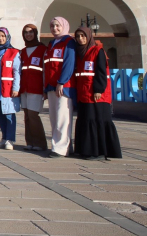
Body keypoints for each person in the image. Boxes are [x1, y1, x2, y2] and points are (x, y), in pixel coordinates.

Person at [73, 26, 122, 160]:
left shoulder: (98, 51)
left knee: (97, 121)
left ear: (89, 36)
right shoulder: (79, 53)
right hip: (83, 94)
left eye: (83, 36)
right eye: (78, 36)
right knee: (86, 120)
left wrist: (98, 90)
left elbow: (101, 72)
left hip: (96, 94)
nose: (80, 39)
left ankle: (99, 152)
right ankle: (86, 150)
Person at [44, 17, 76, 158]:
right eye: (52, 26)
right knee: (54, 117)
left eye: (57, 26)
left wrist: (61, 82)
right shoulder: (51, 44)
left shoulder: (69, 43)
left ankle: (61, 148)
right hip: (51, 86)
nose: (54, 28)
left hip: (63, 86)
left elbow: (69, 64)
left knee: (63, 117)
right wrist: (46, 87)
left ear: (64, 26)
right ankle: (61, 144)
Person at [0, 28, 21, 150]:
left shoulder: (14, 52)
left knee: (9, 115)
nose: (0, 38)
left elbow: (17, 72)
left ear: (7, 37)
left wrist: (16, 88)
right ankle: (4, 137)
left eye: (3, 36)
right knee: (0, 115)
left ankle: (10, 139)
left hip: (8, 89)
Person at [20, 24, 48, 151]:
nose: (28, 34)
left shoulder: (43, 49)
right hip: (24, 88)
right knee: (26, 115)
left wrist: (45, 88)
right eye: (26, 32)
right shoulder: (23, 51)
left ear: (35, 33)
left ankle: (40, 143)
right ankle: (30, 142)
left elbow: (45, 71)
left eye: (31, 32)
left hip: (36, 88)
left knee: (33, 115)